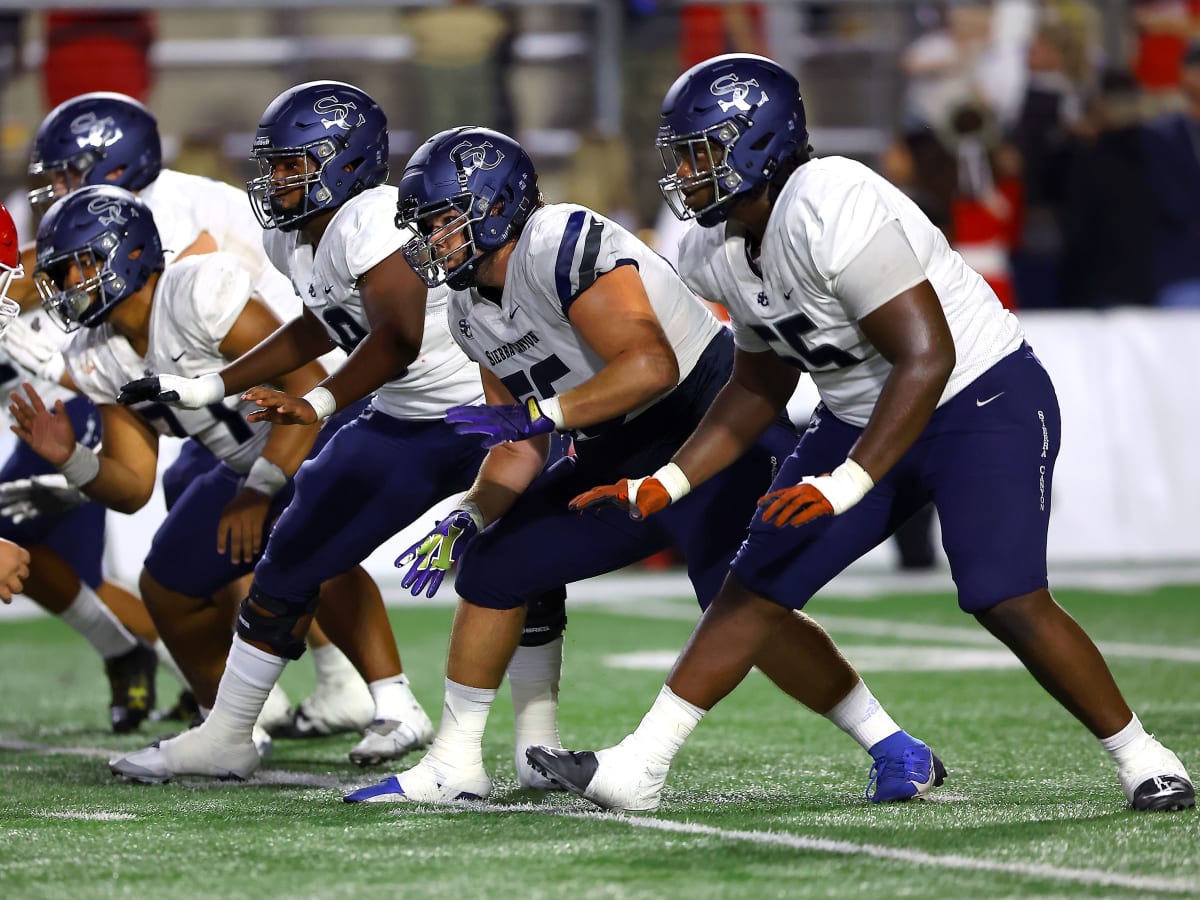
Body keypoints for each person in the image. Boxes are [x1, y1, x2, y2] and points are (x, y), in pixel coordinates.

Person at [526, 53, 1195, 814]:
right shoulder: (714, 249)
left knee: (1002, 593)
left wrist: (846, 481)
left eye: (703, 151)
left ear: (757, 143)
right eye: (682, 154)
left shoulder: (832, 199)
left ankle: (1145, 758)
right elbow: (758, 383)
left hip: (980, 398)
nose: (687, 172)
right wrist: (666, 481)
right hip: (861, 411)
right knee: (752, 583)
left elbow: (927, 355)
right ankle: (639, 767)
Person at [342, 126, 944, 807]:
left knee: (737, 603)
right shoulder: (467, 312)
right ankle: (456, 763)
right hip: (617, 451)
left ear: (497, 205)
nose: (427, 240)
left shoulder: (558, 242)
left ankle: (894, 745)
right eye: (422, 226)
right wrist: (469, 509)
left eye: (440, 221)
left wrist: (547, 416)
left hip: (710, 425)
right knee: (494, 562)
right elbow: (515, 446)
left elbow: (650, 366)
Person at [105, 81, 564, 783]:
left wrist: (318, 403)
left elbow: (397, 338)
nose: (278, 178)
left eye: (295, 163)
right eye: (276, 163)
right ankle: (228, 735)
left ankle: (538, 742)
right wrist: (210, 385)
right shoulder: (296, 236)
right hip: (408, 421)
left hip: (485, 416)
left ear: (347, 161)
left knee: (523, 564)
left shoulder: (375, 216)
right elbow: (325, 321)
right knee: (292, 552)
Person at [7, 89, 380, 737]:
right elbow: (129, 445)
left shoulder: (172, 239)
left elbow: (158, 330)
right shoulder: (117, 291)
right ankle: (250, 702)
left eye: (70, 172)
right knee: (194, 535)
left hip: (298, 385)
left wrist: (259, 487)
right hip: (243, 394)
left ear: (114, 167)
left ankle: (361, 689)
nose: (60, 189)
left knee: (278, 521)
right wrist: (68, 439)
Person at [0, 190, 161, 733]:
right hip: (42, 415)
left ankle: (229, 690)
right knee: (44, 563)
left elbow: (35, 274)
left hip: (62, 411)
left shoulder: (47, 270)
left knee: (36, 559)